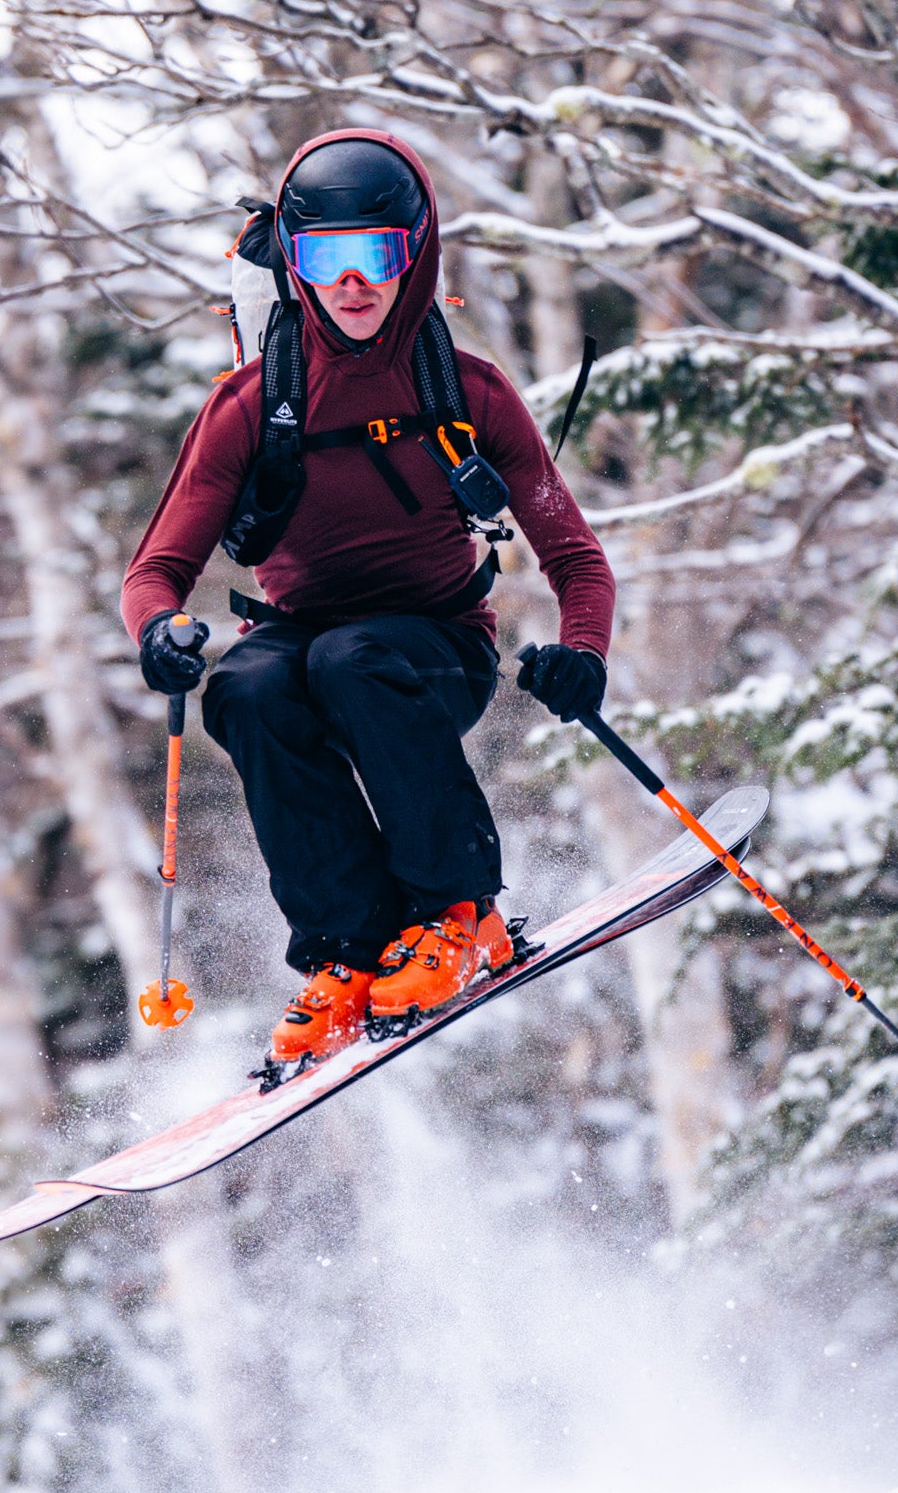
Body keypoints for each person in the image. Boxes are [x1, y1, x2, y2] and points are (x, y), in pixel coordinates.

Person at [122, 130, 614, 1071]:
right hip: (304, 642)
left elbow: (575, 557)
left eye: (376, 254)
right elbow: (154, 572)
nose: (353, 282)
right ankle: (350, 952)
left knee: (355, 660)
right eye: (325, 256)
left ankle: (460, 916)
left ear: (414, 253)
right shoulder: (250, 404)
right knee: (250, 688)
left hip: (436, 646)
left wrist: (583, 651)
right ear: (297, 266)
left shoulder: (468, 391)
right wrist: (159, 635)